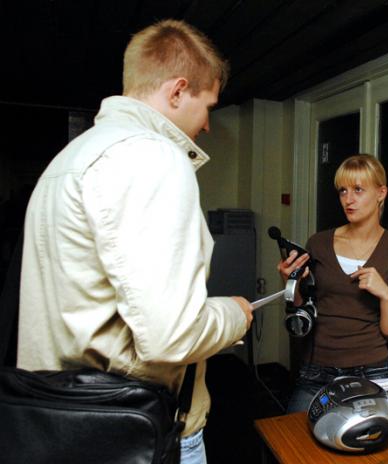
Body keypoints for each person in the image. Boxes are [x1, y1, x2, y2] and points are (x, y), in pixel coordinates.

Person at [17, 19, 253, 463]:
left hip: (61, 427)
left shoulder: (70, 159)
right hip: (134, 433)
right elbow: (171, 336)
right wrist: (235, 314)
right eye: (208, 106)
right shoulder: (154, 157)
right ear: (178, 91)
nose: (207, 125)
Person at [278, 154, 388, 412]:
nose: (348, 199)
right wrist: (290, 282)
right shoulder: (318, 243)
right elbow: (301, 308)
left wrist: (384, 294)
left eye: (358, 190)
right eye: (343, 190)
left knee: (369, 436)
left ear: (381, 193)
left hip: (371, 370)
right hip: (316, 368)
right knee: (293, 435)